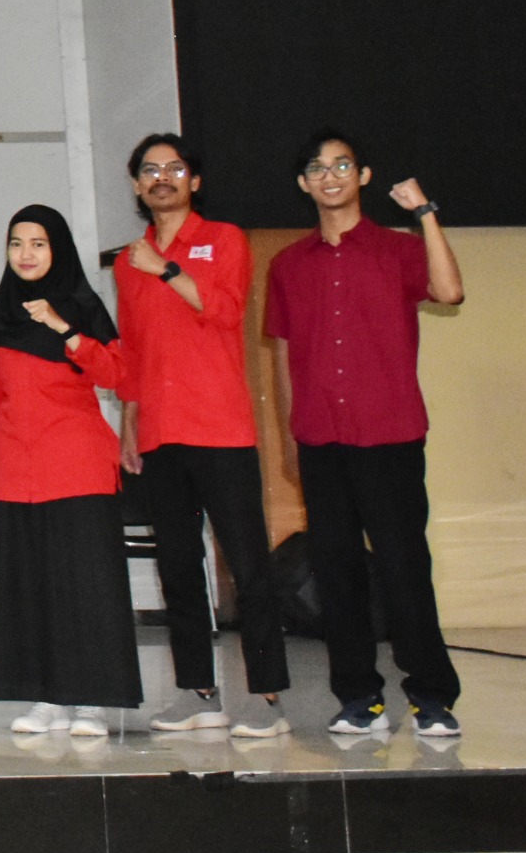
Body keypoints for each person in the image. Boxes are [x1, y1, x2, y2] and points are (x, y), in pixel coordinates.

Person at [265, 130, 467, 738]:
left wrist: (424, 213)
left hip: (389, 434)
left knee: (404, 567)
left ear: (363, 176)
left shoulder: (396, 250)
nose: (330, 176)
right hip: (321, 438)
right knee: (338, 574)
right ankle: (359, 698)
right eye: (317, 168)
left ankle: (431, 696)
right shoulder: (288, 264)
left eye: (342, 165)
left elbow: (450, 291)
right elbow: (283, 352)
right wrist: (291, 436)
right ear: (303, 184)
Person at [113, 134, 289, 737]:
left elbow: (226, 310)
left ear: (194, 180)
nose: (162, 178)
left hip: (220, 428)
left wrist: (165, 268)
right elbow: (132, 350)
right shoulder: (128, 260)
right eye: (150, 170)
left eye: (174, 168)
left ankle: (267, 696)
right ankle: (197, 692)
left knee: (247, 563)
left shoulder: (224, 240)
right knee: (178, 567)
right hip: (160, 433)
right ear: (137, 185)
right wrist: (129, 425)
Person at [0, 206, 141, 737]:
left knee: (84, 585)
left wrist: (64, 329)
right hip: (16, 466)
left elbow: (117, 374)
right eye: (16, 243)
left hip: (77, 463)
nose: (25, 254)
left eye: (38, 243)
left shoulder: (83, 305)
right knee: (31, 585)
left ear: (57, 249)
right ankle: (46, 698)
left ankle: (89, 701)